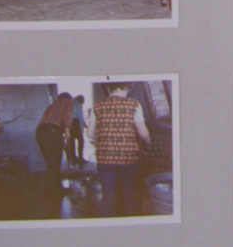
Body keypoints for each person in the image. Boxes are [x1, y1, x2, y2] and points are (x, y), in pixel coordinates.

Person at [87, 83, 151, 217]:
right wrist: (148, 143)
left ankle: (106, 227)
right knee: (129, 194)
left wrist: (105, 137)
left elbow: (90, 134)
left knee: (108, 196)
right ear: (125, 88)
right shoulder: (134, 105)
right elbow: (143, 134)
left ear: (110, 89)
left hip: (105, 158)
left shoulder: (97, 107)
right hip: (128, 159)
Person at [35, 92, 74, 198]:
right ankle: (52, 193)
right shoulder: (67, 102)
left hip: (40, 132)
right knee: (55, 163)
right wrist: (67, 132)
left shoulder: (53, 105)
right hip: (52, 132)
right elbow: (67, 116)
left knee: (51, 163)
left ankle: (54, 188)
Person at [68, 95, 87, 167]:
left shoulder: (69, 103)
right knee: (81, 141)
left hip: (69, 123)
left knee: (71, 142)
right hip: (75, 123)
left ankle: (73, 159)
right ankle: (80, 158)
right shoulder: (78, 104)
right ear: (81, 100)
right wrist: (82, 127)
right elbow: (81, 117)